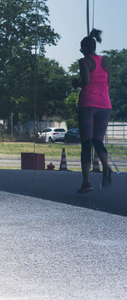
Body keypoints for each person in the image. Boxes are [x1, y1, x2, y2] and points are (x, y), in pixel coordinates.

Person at [72, 29, 113, 194]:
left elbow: (86, 81)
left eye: (81, 48)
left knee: (86, 143)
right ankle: (106, 167)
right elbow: (108, 83)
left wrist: (76, 83)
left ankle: (86, 182)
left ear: (84, 48)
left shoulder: (84, 61)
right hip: (105, 104)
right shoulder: (106, 62)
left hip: (88, 104)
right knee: (98, 140)